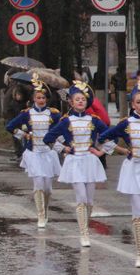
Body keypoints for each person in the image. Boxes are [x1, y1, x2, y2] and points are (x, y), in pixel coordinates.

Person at [43, 82, 114, 248]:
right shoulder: (65, 120)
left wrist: (101, 151)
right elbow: (48, 138)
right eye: (77, 99)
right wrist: (64, 149)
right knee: (81, 198)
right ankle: (84, 233)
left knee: (89, 201)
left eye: (83, 99)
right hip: (74, 162)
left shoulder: (94, 120)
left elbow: (112, 136)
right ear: (71, 102)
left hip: (90, 161)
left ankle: (86, 227)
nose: (81, 102)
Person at [98, 79, 140, 267]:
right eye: (138, 102)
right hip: (133, 169)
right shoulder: (126, 124)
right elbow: (102, 139)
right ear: (132, 104)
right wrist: (123, 151)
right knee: (138, 212)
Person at [5, 77, 61, 228]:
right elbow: (10, 126)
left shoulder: (54, 114)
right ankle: (40, 215)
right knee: (38, 184)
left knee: (48, 187)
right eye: (38, 97)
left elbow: (61, 132)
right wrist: (23, 135)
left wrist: (62, 145)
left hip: (48, 153)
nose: (41, 100)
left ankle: (46, 208)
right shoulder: (26, 113)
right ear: (33, 99)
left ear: (46, 99)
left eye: (43, 97)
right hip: (34, 152)